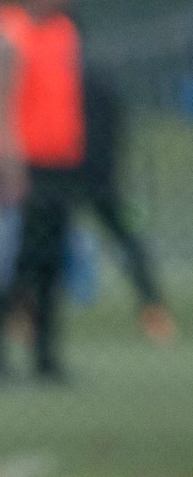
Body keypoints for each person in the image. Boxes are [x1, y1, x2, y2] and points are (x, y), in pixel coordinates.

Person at [0, 0, 86, 383]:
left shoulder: (64, 31)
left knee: (50, 264)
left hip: (61, 163)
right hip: (22, 165)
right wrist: (10, 167)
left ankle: (45, 358)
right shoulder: (7, 29)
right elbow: (0, 107)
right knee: (13, 264)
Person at [79, 65, 174, 343]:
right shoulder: (99, 84)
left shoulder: (93, 85)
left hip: (91, 181)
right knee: (128, 241)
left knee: (129, 241)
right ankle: (153, 308)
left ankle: (153, 308)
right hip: (94, 181)